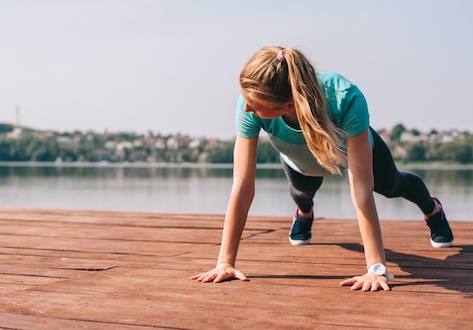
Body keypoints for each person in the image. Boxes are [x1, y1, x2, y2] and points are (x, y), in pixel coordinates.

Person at [191, 46, 454, 292]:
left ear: (290, 106)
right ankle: (305, 214)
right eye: (245, 99)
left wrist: (376, 268)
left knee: (392, 185)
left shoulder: (345, 98)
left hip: (352, 151)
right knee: (301, 193)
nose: (246, 107)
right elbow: (243, 186)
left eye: (255, 106)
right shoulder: (248, 105)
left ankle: (432, 209)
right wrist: (225, 262)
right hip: (300, 160)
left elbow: (361, 190)